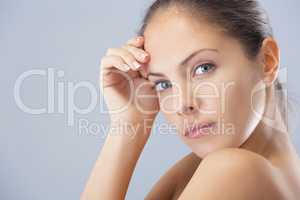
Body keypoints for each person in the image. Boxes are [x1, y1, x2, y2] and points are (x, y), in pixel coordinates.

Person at [81, 0, 300, 199]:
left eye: (203, 68)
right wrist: (129, 122)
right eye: (163, 84)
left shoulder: (234, 169)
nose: (182, 104)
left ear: (267, 61)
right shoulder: (193, 169)